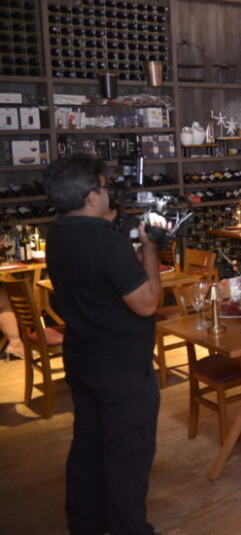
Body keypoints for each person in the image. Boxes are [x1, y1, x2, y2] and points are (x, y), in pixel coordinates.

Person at [43, 154, 166, 534]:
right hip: (122, 367)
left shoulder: (56, 234)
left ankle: (85, 525)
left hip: (82, 358)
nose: (109, 193)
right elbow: (148, 303)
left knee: (88, 447)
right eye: (104, 186)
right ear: (92, 195)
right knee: (128, 454)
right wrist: (150, 247)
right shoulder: (107, 244)